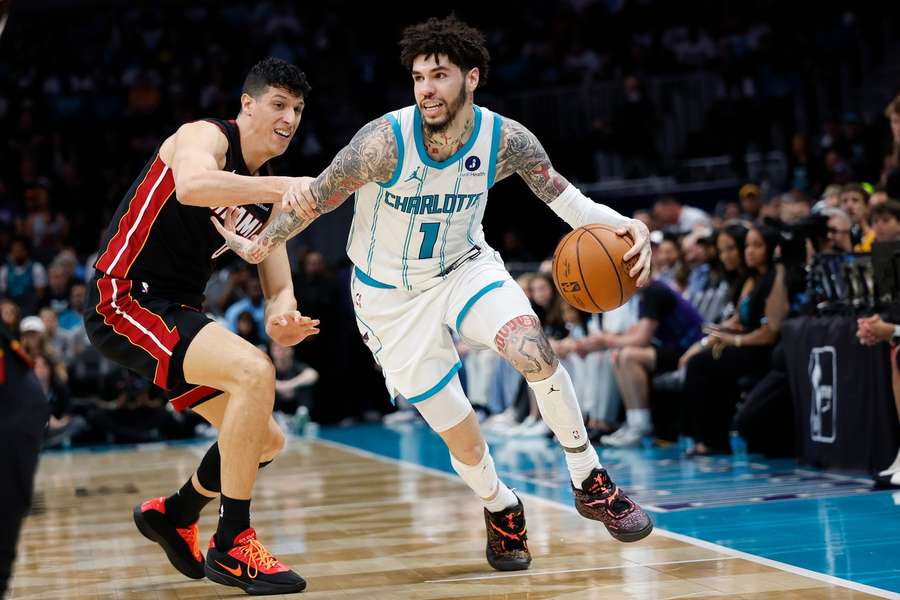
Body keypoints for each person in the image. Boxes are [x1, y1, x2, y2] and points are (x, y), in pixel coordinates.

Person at [215, 16, 654, 572]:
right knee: (464, 441)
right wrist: (261, 246)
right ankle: (501, 507)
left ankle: (589, 478)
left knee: (531, 346)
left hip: (464, 268)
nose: (426, 88)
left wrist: (629, 226)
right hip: (388, 300)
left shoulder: (506, 140)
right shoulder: (382, 143)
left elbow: (569, 204)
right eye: (419, 77)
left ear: (471, 78)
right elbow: (315, 199)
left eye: (439, 75)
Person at [84, 58, 317, 595]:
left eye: (298, 110)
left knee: (266, 440)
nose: (289, 118)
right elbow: (191, 186)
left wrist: (283, 317)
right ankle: (233, 542)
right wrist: (289, 186)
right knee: (255, 373)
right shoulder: (205, 137)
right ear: (247, 105)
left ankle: (175, 513)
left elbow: (278, 284)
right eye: (278, 105)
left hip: (176, 309)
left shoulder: (267, 193)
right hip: (123, 295)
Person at [582, 280, 704, 447]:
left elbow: (642, 338)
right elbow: (635, 332)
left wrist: (606, 340)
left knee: (628, 356)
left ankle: (640, 426)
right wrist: (608, 341)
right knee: (619, 354)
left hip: (689, 350)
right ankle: (633, 422)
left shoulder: (655, 291)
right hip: (671, 348)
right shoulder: (643, 296)